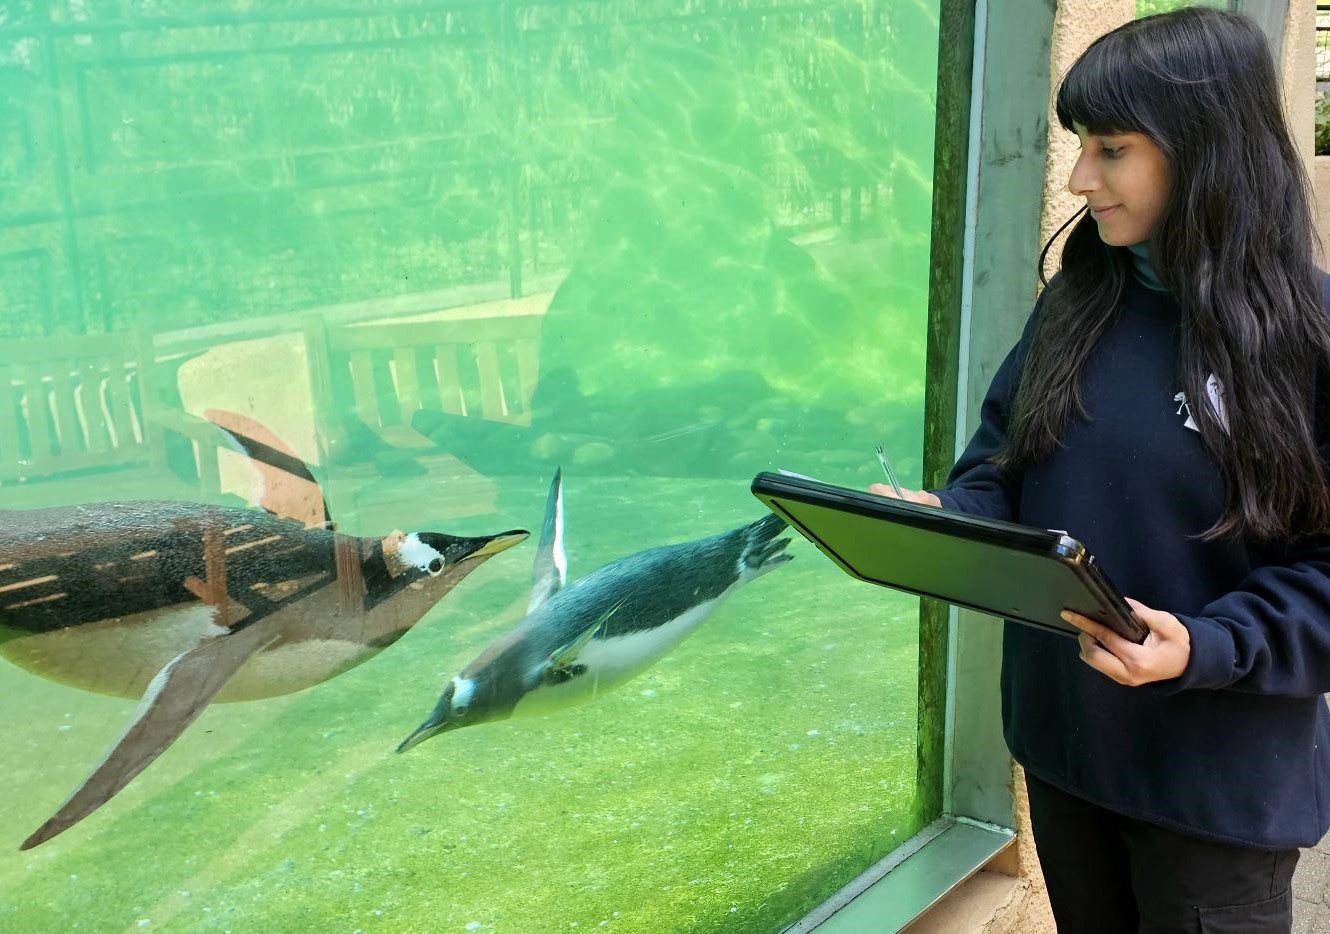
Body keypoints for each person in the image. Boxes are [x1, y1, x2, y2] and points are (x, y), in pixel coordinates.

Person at [871, 8, 1330, 932]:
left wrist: (1207, 646)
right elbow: (1004, 468)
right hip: (1068, 757)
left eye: (1112, 148)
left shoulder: (1306, 340)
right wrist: (946, 521)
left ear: (1207, 152)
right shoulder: (1080, 300)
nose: (1082, 179)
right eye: (1080, 145)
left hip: (1213, 795)